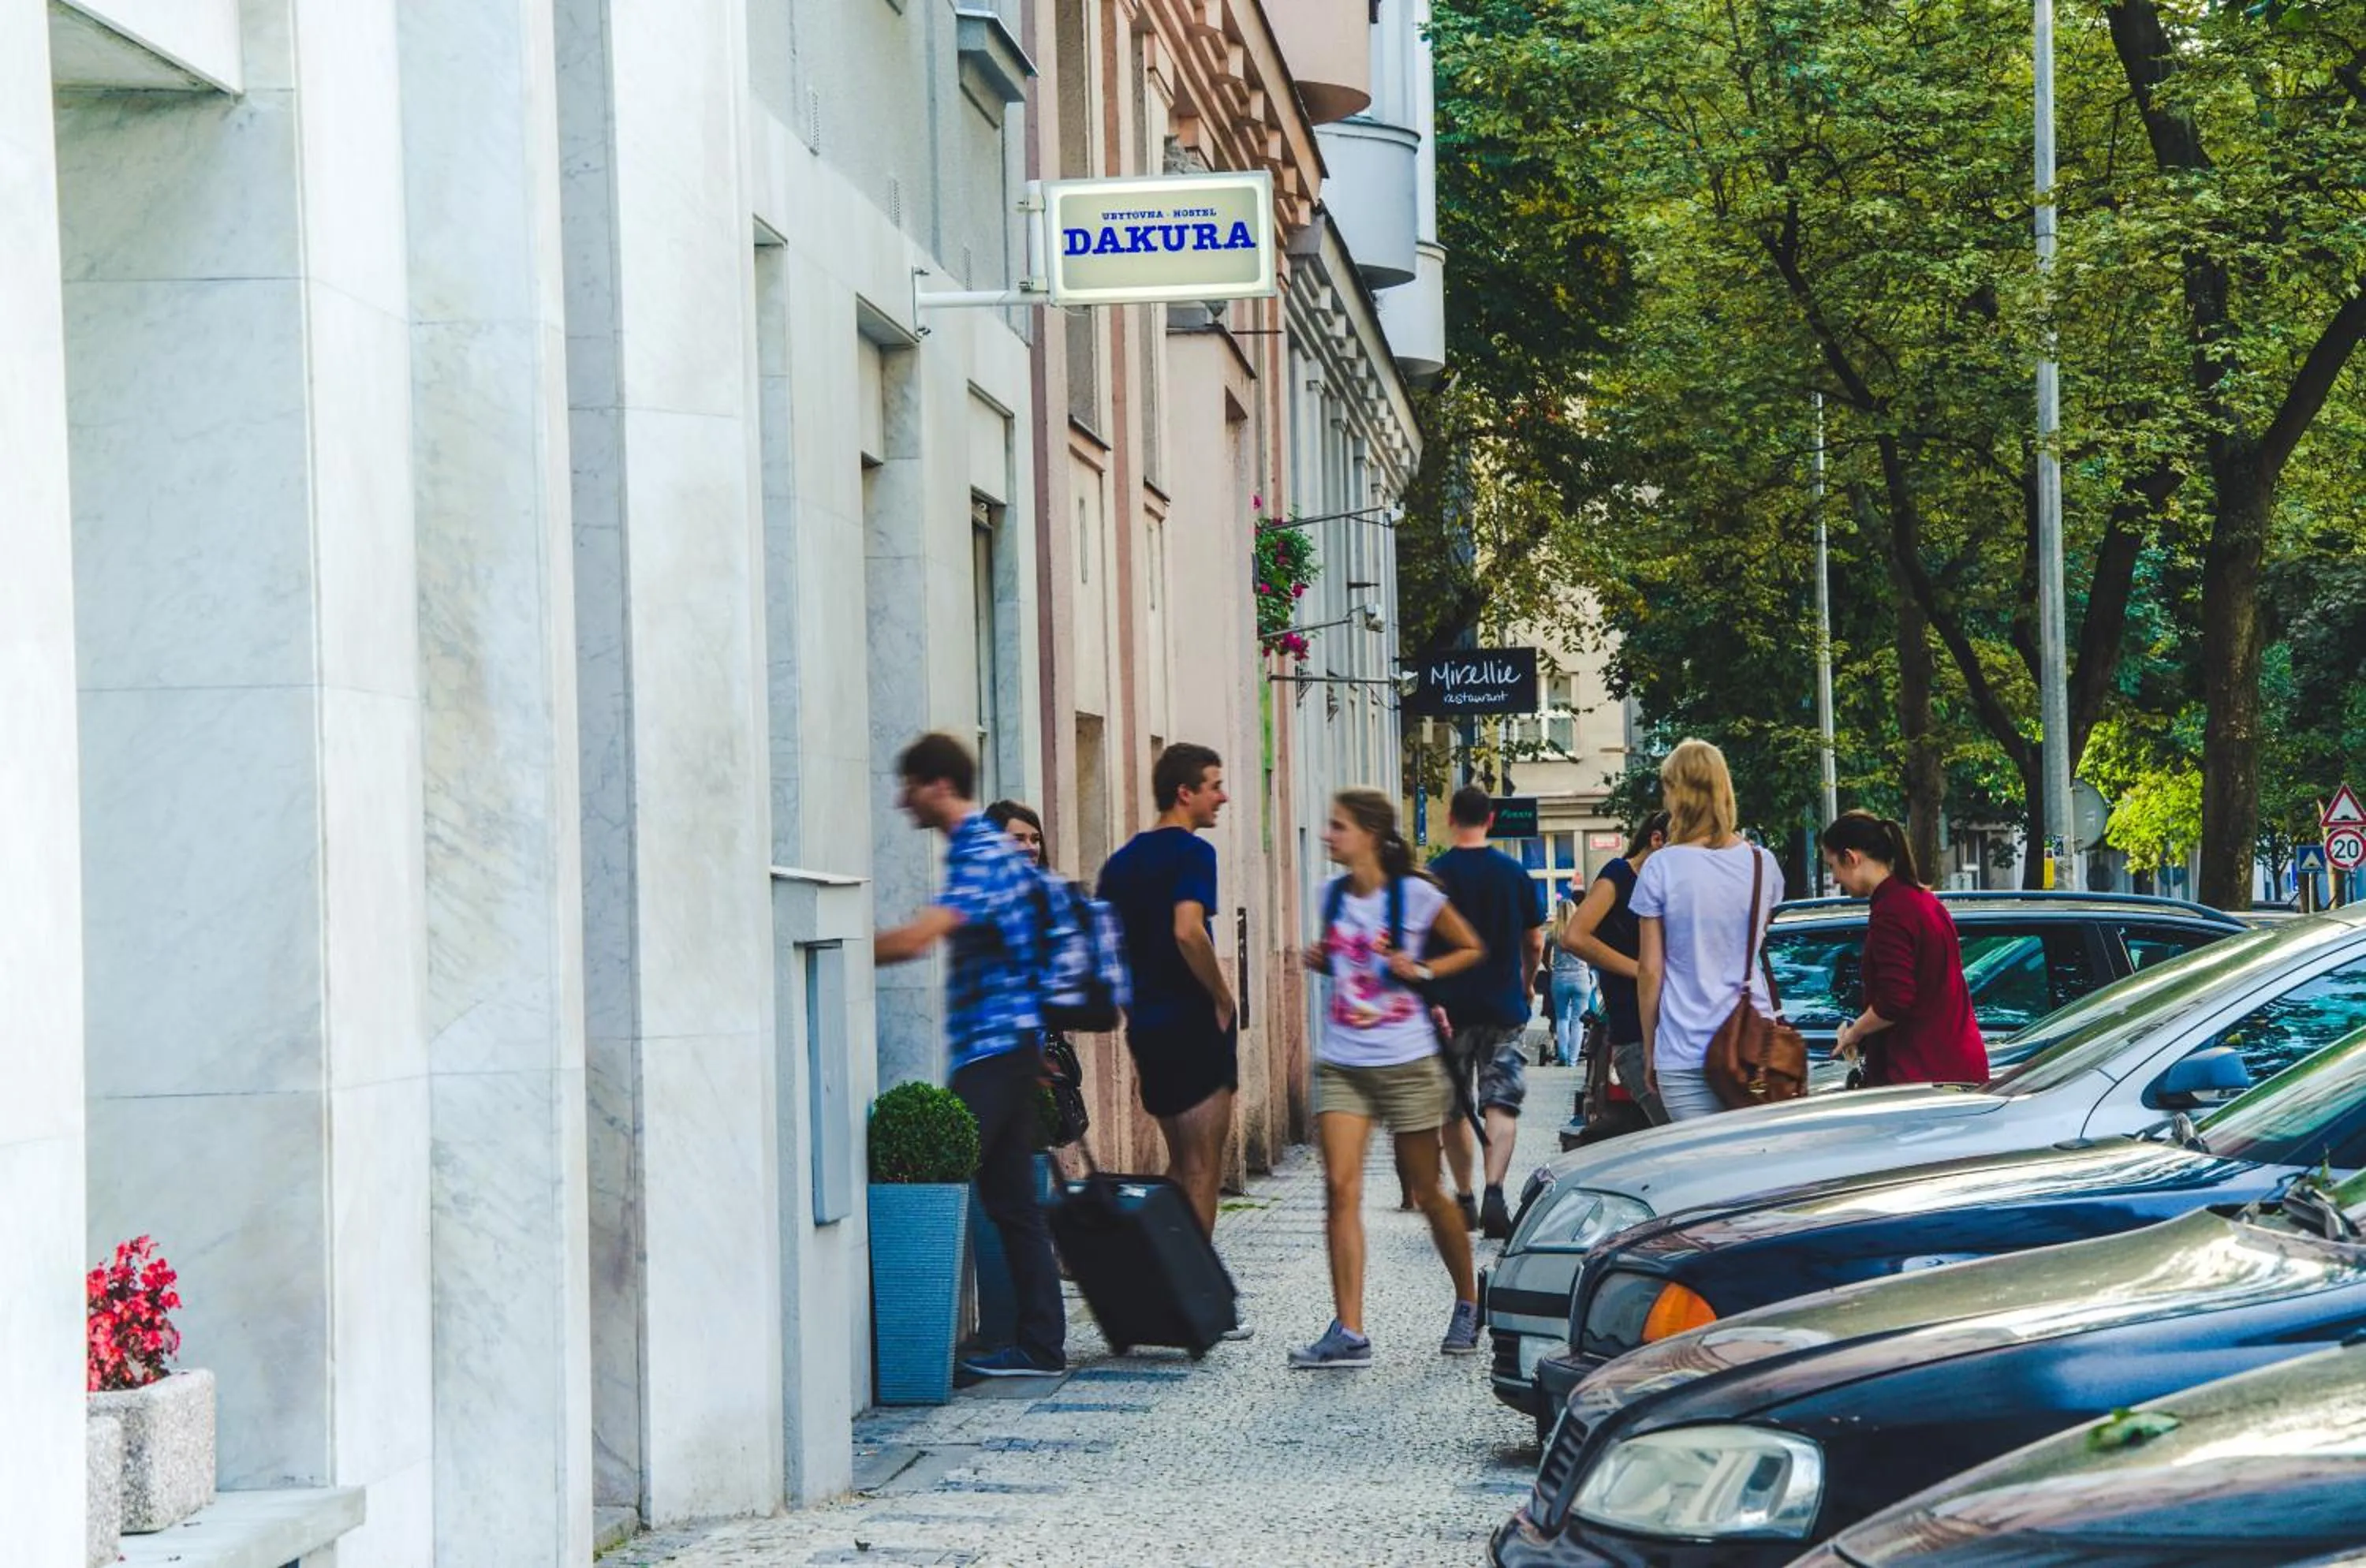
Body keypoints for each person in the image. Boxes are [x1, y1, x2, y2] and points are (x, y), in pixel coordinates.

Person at [873, 734, 1065, 1378]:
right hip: (1008, 1047)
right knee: (1013, 1205)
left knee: (933, 1173)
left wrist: (841, 946)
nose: (903, 801)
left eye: (909, 786)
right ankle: (1039, 1345)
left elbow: (927, 935)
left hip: (992, 1051)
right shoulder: (979, 851)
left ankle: (915, 1345)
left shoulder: (981, 851)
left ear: (938, 786)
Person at [1290, 789, 1488, 1369]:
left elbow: (1471, 947)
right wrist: (1326, 960)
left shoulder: (1416, 894)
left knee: (1427, 1191)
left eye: (1338, 826)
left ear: (1372, 835)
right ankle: (1349, 1330)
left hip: (1407, 1060)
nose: (1328, 836)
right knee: (1340, 1189)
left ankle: (1469, 1299)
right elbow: (1346, 964)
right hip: (1344, 1060)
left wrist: (1421, 967)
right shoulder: (1330, 897)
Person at [1096, 743, 1239, 1238]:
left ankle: (1158, 1280)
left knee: (1180, 1165)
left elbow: (1106, 950)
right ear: (1185, 792)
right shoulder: (1194, 853)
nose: (1222, 797)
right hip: (1193, 1023)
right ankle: (1197, 1301)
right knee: (1202, 1167)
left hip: (1148, 1028)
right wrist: (1222, 997)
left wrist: (1134, 1008)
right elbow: (1187, 930)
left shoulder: (1118, 864)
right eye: (1214, 785)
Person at [1633, 740, 1785, 1122]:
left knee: (1698, 1169)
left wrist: (1651, 1048)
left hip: (1683, 1048)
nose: (1665, 799)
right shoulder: (1762, 863)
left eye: (1667, 788)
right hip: (1752, 1046)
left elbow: (1651, 970)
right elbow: (1753, 941)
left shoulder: (1660, 867)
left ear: (1682, 793)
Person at [1428, 786, 1547, 1241]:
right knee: (1502, 1100)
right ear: (1491, 821)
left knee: (1454, 1107)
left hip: (1450, 1009)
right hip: (1503, 1005)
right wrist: (1527, 982)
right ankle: (1495, 1188)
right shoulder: (1514, 874)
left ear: (1452, 819)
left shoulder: (1434, 876)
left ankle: (1464, 1198)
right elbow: (1535, 941)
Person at [1821, 810, 1990, 1085]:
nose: (1835, 879)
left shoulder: (1891, 912)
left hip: (1919, 1075)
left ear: (1851, 858)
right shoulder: (1924, 900)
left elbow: (1895, 999)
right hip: (1954, 1066)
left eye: (1833, 867)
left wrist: (1855, 1033)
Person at [1562, 812, 1670, 1126]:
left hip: (1666, 1031)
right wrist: (1641, 970)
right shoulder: (1620, 874)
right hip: (1633, 1031)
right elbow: (1574, 936)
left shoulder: (1665, 886)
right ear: (1656, 839)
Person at [1547, 899, 1594, 1069]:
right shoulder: (1582, 932)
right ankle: (1573, 1061)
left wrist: (1551, 969)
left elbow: (1545, 957)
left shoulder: (1553, 933)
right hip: (1581, 978)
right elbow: (1591, 955)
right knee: (1578, 1021)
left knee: (1562, 1018)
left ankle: (1563, 1056)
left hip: (1560, 978)